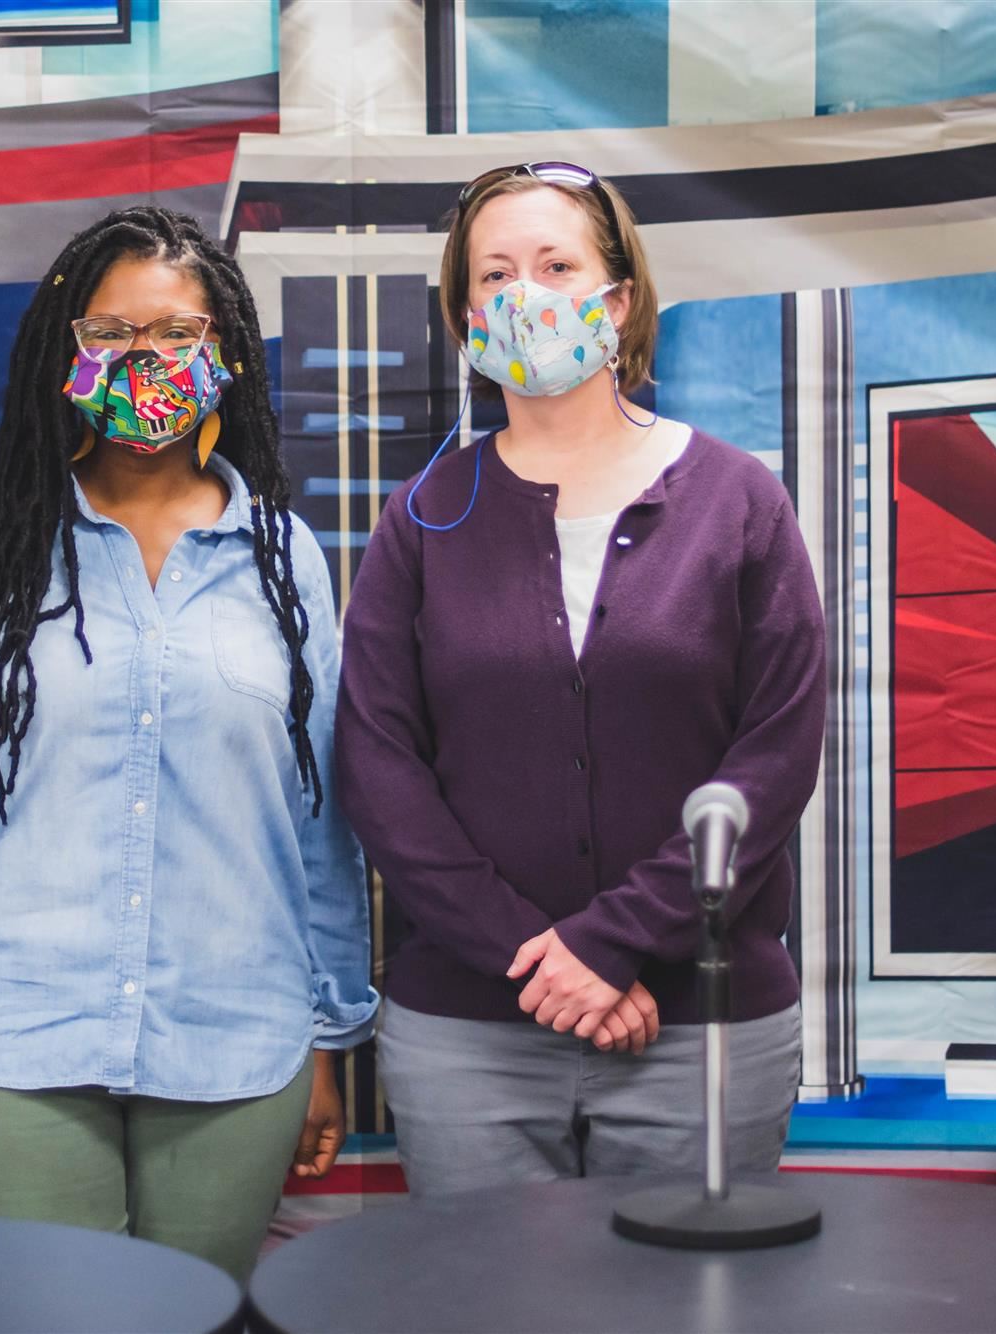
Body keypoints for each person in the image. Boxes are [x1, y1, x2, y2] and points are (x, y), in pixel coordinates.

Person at [0, 206, 376, 1281]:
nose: (145, 362)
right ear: (62, 353)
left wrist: (324, 1039)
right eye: (113, 336)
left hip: (234, 1044)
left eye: (175, 336)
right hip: (1, 1039)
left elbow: (317, 824)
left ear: (225, 358)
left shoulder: (282, 558)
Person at [335, 163, 825, 1198]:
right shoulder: (419, 518)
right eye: (496, 272)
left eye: (557, 264)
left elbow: (774, 756)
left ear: (618, 298)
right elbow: (379, 768)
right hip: (467, 1034)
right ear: (465, 313)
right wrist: (536, 956)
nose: (527, 292)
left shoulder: (738, 501)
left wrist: (609, 942)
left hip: (699, 1029)